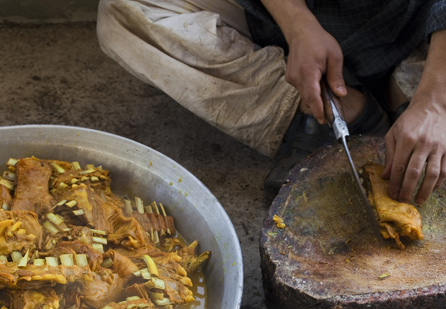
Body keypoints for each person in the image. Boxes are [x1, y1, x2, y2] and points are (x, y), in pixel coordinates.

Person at [97, 0, 446, 203]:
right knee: (124, 12)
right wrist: (297, 23)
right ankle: (332, 108)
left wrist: (434, 103)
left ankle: (411, 96)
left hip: (420, 25)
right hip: (282, 20)